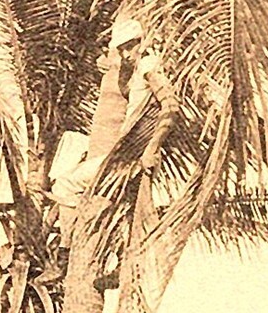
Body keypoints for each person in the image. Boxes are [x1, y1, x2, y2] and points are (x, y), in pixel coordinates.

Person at [48, 18, 181, 227]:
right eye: (122, 49)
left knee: (64, 185)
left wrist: (151, 150)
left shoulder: (148, 67)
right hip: (126, 154)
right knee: (71, 150)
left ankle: (65, 248)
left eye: (131, 46)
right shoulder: (136, 72)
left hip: (130, 158)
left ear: (142, 42)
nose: (126, 54)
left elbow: (172, 106)